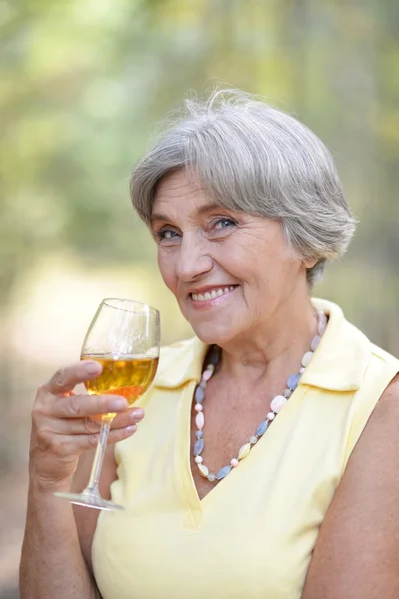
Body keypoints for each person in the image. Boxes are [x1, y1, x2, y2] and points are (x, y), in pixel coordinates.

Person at [20, 89, 399, 599]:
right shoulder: (137, 392)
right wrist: (47, 483)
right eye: (168, 233)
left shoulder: (378, 407)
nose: (185, 265)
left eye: (221, 223)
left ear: (306, 239)